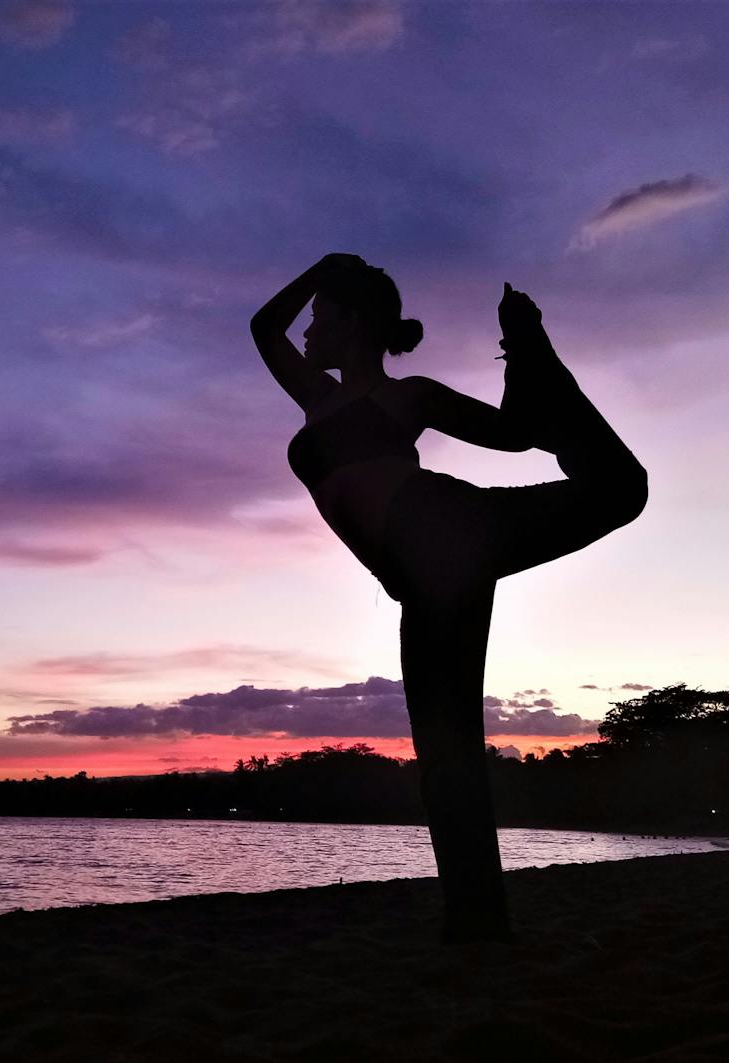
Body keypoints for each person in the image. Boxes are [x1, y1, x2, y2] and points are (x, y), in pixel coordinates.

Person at [251, 253, 648, 943]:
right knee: (445, 749)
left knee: (621, 487)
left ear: (354, 322)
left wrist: (520, 352)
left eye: (322, 315)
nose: (309, 330)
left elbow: (514, 433)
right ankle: (477, 927)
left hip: (447, 525)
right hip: (421, 580)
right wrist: (320, 270)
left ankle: (536, 347)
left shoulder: (409, 396)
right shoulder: (318, 397)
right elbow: (263, 327)